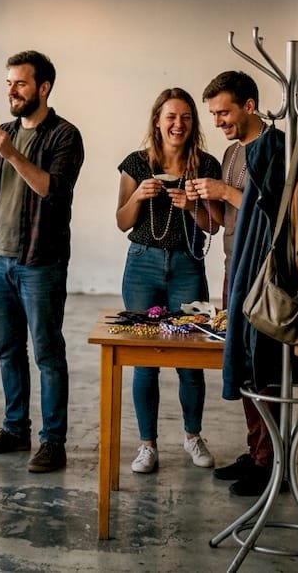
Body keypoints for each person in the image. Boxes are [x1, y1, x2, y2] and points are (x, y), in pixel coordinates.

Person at [0, 50, 84, 474]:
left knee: (47, 353)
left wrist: (11, 154)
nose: (10, 90)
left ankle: (53, 441)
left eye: (20, 83)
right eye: (8, 82)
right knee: (8, 350)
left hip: (40, 262)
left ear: (43, 88)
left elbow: (53, 190)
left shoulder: (65, 135)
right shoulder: (2, 131)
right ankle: (15, 429)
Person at [115, 87, 223, 475]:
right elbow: (122, 221)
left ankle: (192, 436)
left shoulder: (207, 164)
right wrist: (139, 198)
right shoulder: (136, 164)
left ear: (193, 124)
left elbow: (217, 224)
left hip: (187, 266)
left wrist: (193, 207)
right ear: (157, 121)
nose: (178, 124)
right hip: (142, 264)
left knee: (189, 358)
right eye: (171, 117)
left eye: (186, 118)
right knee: (144, 359)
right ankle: (147, 445)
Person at [188, 71, 275, 496]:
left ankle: (270, 462)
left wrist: (223, 190)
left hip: (262, 270)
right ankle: (257, 451)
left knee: (262, 367)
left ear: (249, 106)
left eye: (224, 111)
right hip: (233, 266)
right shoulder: (231, 152)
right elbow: (223, 221)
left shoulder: (274, 147)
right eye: (214, 113)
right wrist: (201, 202)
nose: (218, 120)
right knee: (242, 363)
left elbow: (275, 211)